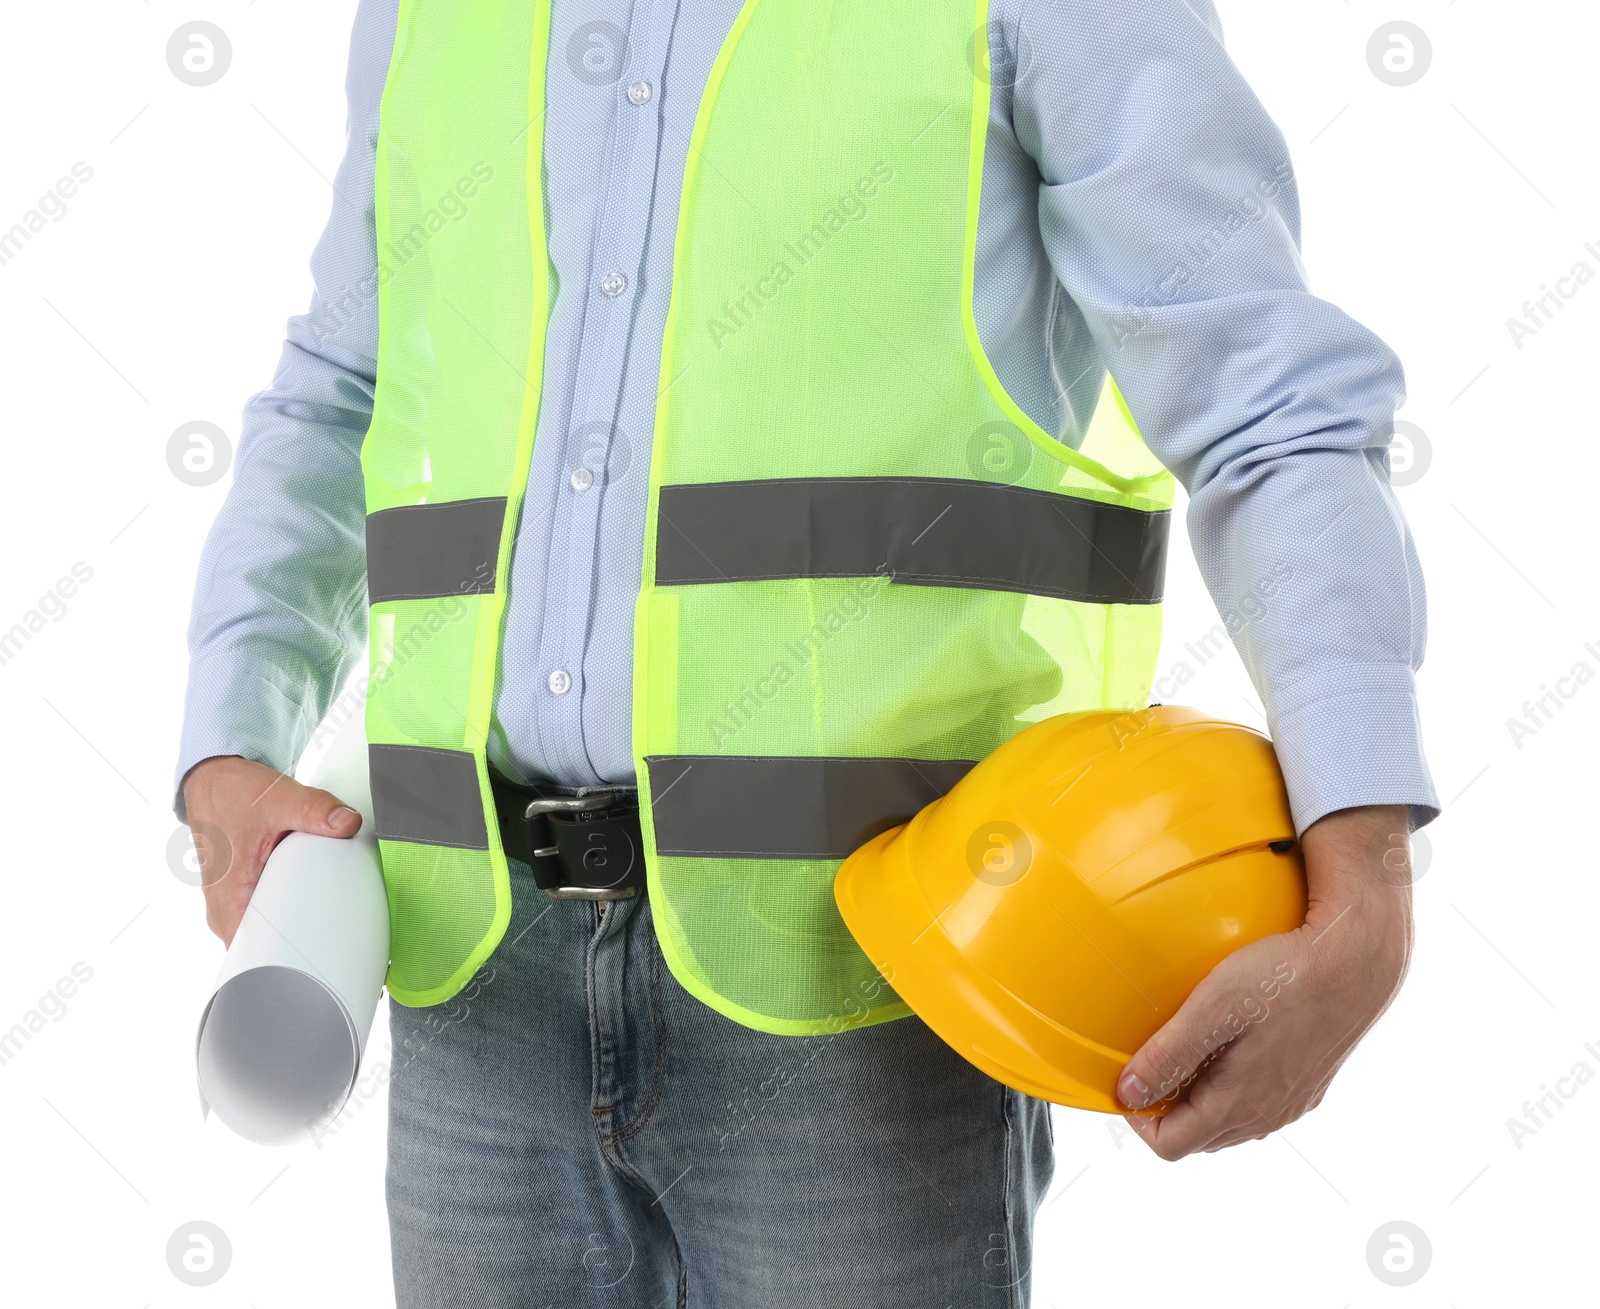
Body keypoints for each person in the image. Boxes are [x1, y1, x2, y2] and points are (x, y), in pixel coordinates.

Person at [174, 2, 1438, 1305]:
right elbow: (336, 391)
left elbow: (1270, 413)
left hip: (873, 982)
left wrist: (1365, 874)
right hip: (471, 973)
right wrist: (230, 733)